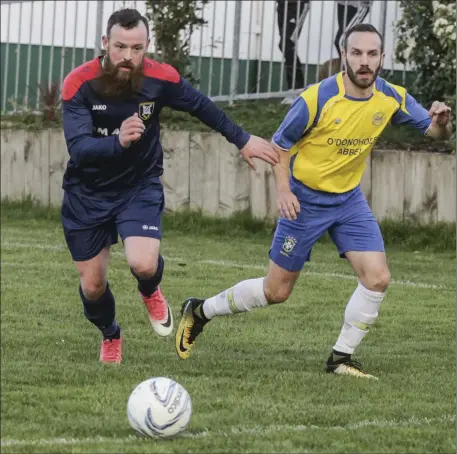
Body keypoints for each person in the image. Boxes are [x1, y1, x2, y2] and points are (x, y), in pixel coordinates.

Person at [174, 23, 452, 379]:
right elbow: (280, 146)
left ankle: (341, 358)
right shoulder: (317, 98)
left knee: (378, 278)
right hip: (304, 201)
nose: (364, 62)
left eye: (371, 54)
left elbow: (436, 133)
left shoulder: (392, 97)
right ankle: (199, 311)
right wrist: (284, 191)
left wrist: (442, 122)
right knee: (276, 291)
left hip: (349, 201)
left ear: (383, 58)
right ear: (344, 57)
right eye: (356, 53)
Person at [60, 8, 279, 364]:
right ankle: (111, 333)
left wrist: (241, 139)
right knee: (93, 285)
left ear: (146, 46)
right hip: (87, 193)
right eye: (119, 47)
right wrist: (119, 141)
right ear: (105, 44)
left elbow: (200, 106)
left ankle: (150, 289)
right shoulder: (79, 83)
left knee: (144, 264)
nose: (128, 56)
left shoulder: (160, 77)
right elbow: (79, 149)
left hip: (138, 186)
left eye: (136, 48)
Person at [318, 1, 372, 81]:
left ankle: (352, 75)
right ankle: (347, 76)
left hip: (357, 5)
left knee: (341, 41)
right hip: (342, 3)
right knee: (346, 41)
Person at [276, 0, 309, 104]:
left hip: (297, 6)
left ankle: (297, 89)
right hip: (282, 5)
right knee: (285, 45)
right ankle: (295, 89)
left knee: (287, 44)